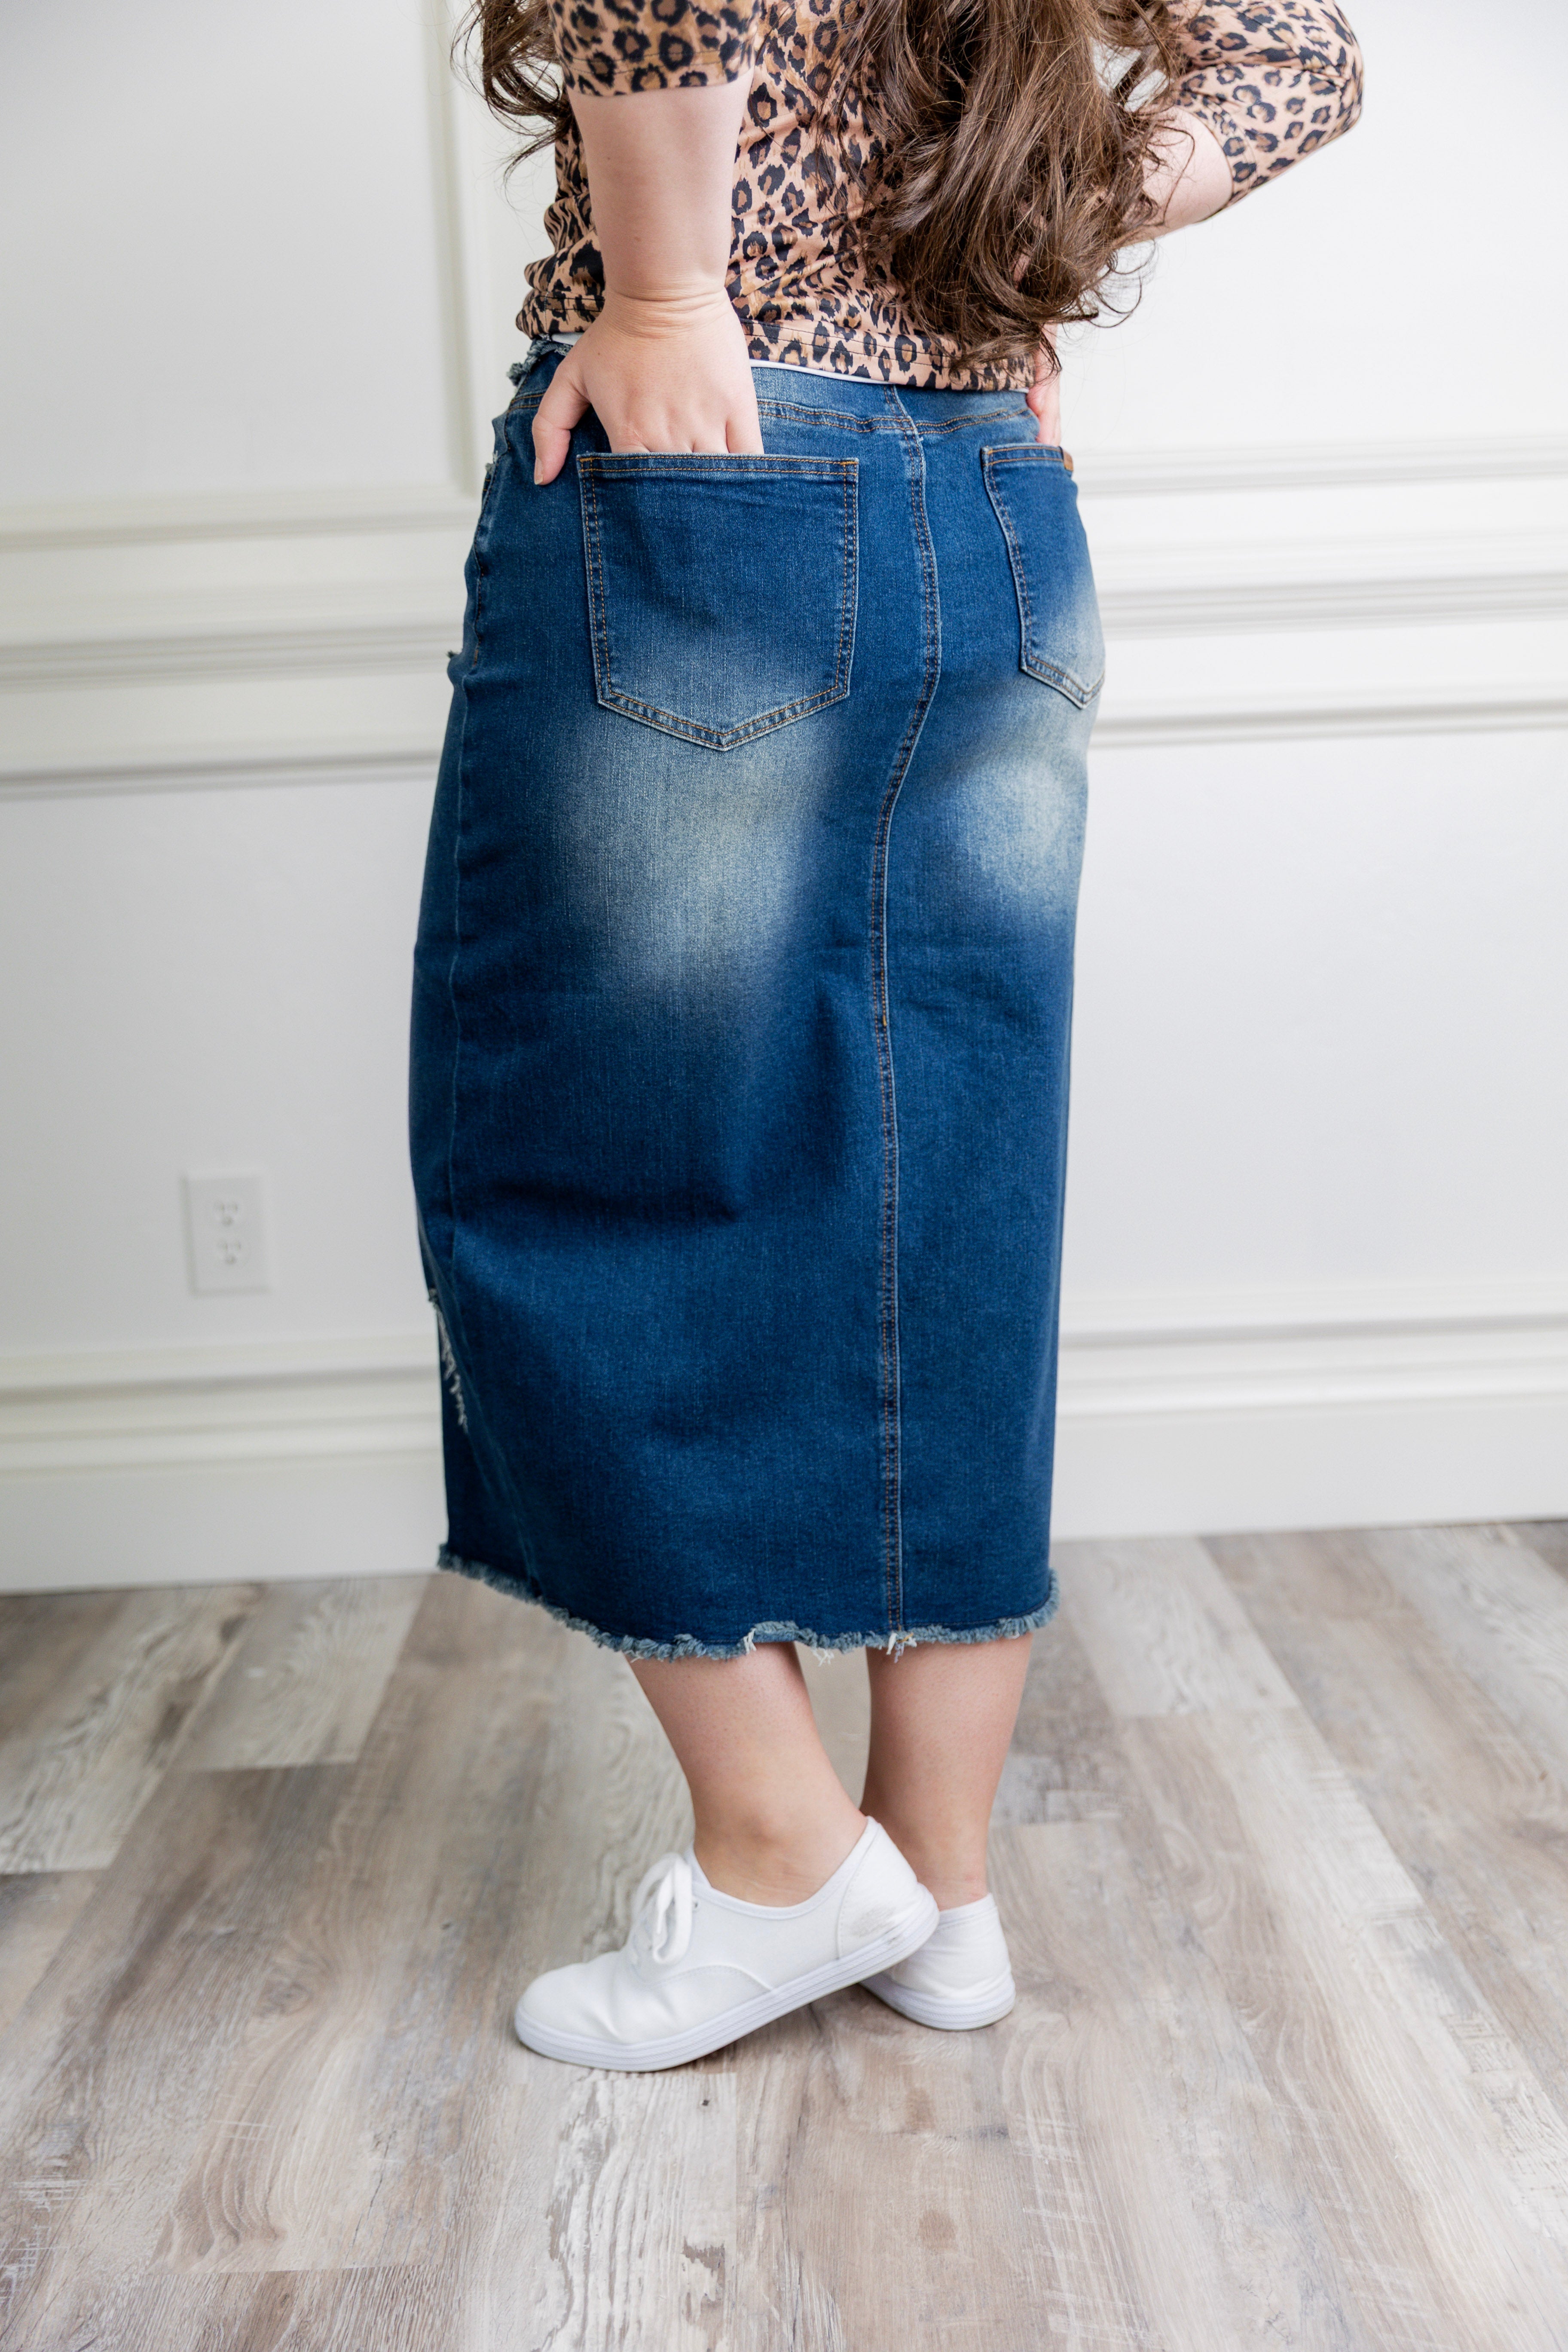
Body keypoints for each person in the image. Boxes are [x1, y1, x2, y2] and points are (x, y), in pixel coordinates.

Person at [412, 0, 1363, 2071]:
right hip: (991, 500)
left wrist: (667, 286)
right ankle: (933, 1887)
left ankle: (779, 1855)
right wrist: (1024, 244)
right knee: (949, 1182)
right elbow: (1297, 53)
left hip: (719, 476)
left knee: (573, 1166)